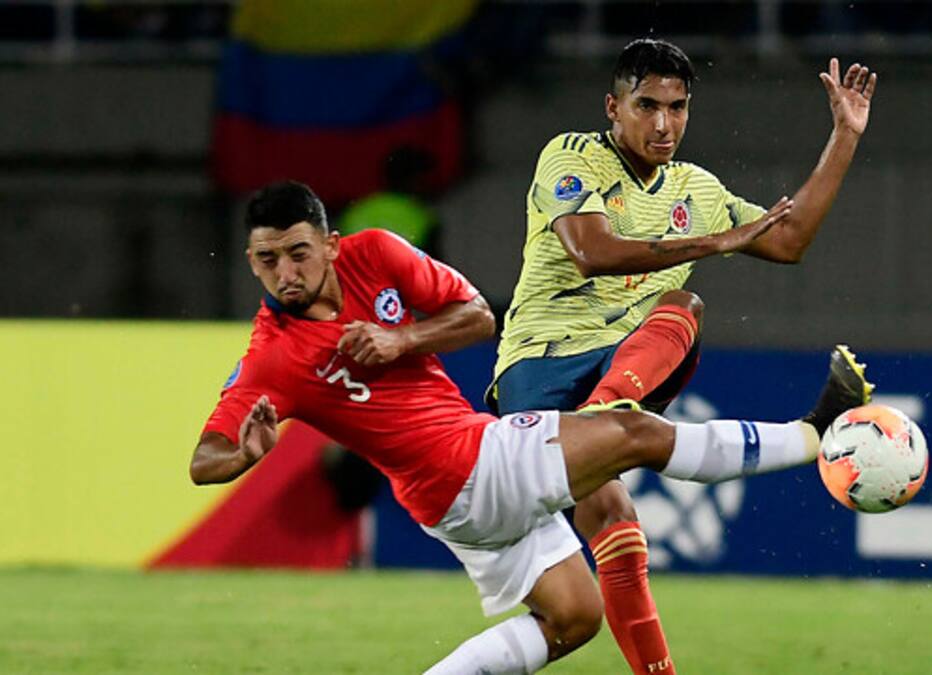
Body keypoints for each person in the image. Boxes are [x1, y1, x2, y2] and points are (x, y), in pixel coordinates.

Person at [190, 181, 873, 674]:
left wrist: (402, 341)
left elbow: (479, 317)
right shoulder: (271, 355)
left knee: (574, 618)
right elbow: (205, 458)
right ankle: (814, 433)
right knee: (630, 433)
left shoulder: (377, 253)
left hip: (457, 491)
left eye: (298, 253)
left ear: (331, 245)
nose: (284, 272)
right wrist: (243, 453)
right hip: (469, 468)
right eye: (266, 260)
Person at [490, 38, 877, 673]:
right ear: (612, 107)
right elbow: (594, 251)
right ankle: (611, 412)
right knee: (682, 307)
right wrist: (717, 240)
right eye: (647, 106)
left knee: (619, 516)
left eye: (678, 107)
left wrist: (844, 136)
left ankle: (610, 411)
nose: (664, 124)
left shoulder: (694, 188)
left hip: (617, 367)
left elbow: (789, 241)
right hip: (540, 363)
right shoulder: (572, 156)